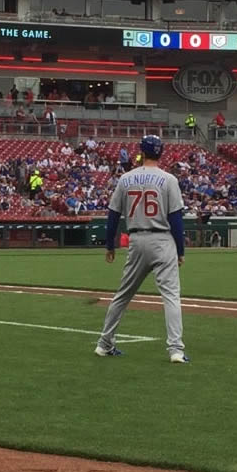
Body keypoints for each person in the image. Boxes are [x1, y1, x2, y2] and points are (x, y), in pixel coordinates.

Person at [94, 135, 188, 364]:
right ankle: (175, 350)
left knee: (123, 295)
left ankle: (104, 344)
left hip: (136, 239)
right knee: (171, 296)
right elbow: (176, 218)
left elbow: (113, 215)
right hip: (162, 239)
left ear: (142, 153)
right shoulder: (168, 179)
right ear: (161, 153)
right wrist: (181, 249)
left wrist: (109, 244)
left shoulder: (126, 179)